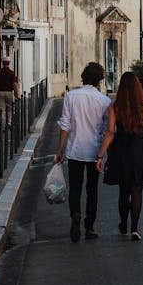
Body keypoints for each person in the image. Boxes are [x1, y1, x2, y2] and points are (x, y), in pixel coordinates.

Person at [96, 71, 143, 241]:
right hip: (141, 150)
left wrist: (100, 155)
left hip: (121, 150)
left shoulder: (115, 106)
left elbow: (110, 132)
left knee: (123, 190)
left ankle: (123, 223)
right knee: (137, 189)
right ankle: (135, 228)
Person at [54, 62, 111, 242]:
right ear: (100, 80)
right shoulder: (105, 101)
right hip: (94, 152)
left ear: (83, 77)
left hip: (74, 150)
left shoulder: (71, 96)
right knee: (92, 190)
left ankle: (75, 214)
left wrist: (59, 151)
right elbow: (105, 130)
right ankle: (90, 226)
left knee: (75, 188)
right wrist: (102, 153)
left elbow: (65, 126)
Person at [0, 57, 19, 123]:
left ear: (2, 63)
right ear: (9, 63)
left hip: (0, 93)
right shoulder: (12, 73)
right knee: (9, 109)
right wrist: (16, 94)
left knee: (1, 109)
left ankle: (3, 126)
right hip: (9, 93)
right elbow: (15, 85)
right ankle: (9, 123)